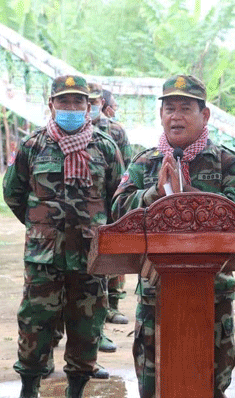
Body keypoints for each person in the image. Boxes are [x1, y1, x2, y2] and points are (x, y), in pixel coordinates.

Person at [112, 74, 235, 398]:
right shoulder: (143, 163)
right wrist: (153, 195)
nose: (176, 116)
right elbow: (118, 211)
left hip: (211, 294)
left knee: (213, 374)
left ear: (204, 116)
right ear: (160, 115)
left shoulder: (227, 163)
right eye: (169, 108)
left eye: (186, 108)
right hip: (157, 291)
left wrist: (190, 197)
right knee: (152, 376)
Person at [4, 75, 123, 398]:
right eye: (64, 101)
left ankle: (75, 394)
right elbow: (14, 193)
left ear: (88, 106)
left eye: (78, 101)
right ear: (52, 105)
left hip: (90, 255)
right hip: (44, 255)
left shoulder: (105, 147)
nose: (71, 107)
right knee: (34, 323)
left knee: (87, 324)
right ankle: (28, 392)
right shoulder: (33, 146)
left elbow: (118, 197)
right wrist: (40, 226)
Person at [88, 83, 132, 350]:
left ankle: (108, 312)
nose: (89, 107)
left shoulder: (115, 131)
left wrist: (116, 211)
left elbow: (124, 173)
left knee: (104, 269)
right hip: (64, 223)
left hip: (105, 212)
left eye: (93, 102)